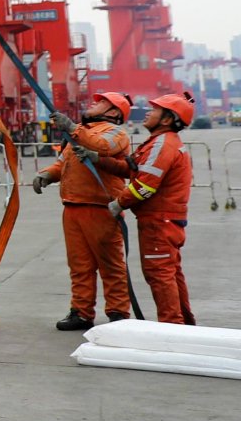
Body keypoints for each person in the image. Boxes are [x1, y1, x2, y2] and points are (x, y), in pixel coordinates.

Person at [30, 92, 135, 330]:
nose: (93, 104)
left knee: (110, 264)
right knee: (79, 265)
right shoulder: (80, 133)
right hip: (73, 206)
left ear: (114, 113)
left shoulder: (115, 133)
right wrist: (47, 174)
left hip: (101, 208)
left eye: (101, 103)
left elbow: (102, 147)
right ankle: (81, 311)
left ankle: (118, 312)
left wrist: (73, 128)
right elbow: (64, 163)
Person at [113, 90, 197, 325]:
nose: (148, 112)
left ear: (167, 119)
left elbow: (145, 186)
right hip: (167, 219)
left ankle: (172, 326)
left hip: (158, 221)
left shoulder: (162, 144)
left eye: (154, 109)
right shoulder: (160, 142)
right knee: (171, 273)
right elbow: (136, 171)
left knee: (159, 273)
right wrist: (99, 159)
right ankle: (184, 324)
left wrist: (118, 203)